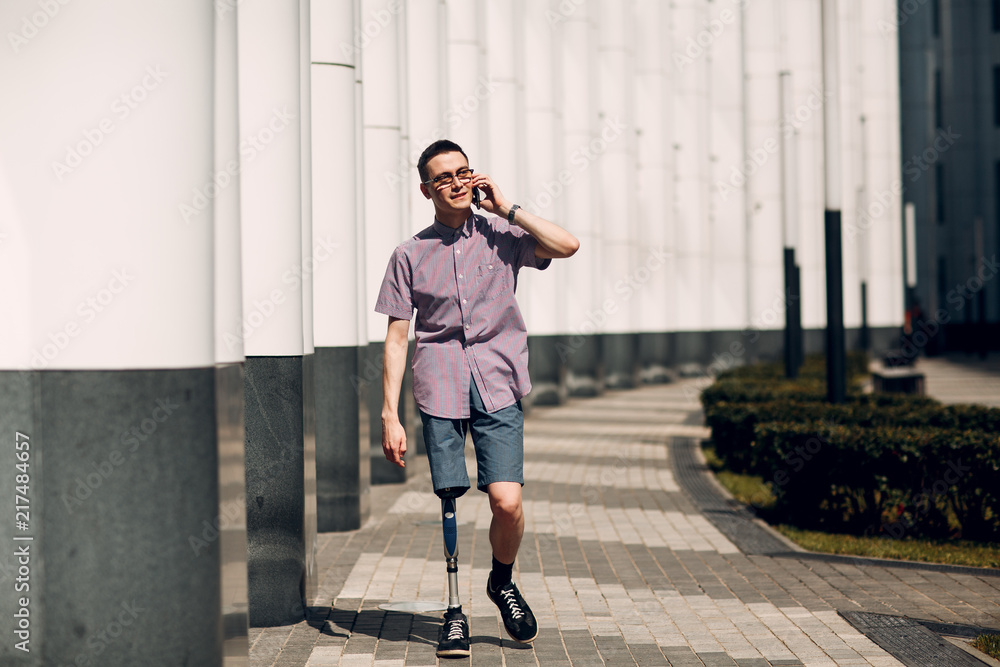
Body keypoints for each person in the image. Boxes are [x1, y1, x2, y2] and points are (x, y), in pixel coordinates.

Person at [375, 139, 579, 657]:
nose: (456, 182)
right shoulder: (410, 254)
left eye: (463, 172)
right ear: (426, 189)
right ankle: (453, 611)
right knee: (449, 501)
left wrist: (507, 207)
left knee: (506, 503)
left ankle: (502, 581)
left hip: (499, 380)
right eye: (443, 177)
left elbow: (567, 245)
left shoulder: (501, 235)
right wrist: (389, 414)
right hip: (439, 385)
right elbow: (398, 337)